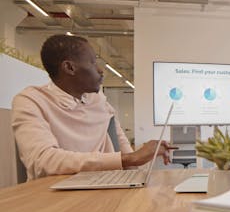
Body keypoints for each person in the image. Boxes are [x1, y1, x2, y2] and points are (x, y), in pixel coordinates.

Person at [12, 34, 173, 180]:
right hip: (53, 198)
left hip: (103, 188)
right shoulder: (31, 101)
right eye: (93, 62)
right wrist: (129, 159)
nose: (100, 70)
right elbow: (43, 162)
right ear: (69, 67)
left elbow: (128, 157)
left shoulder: (99, 102)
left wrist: (148, 154)